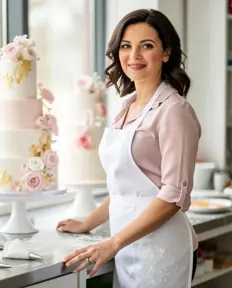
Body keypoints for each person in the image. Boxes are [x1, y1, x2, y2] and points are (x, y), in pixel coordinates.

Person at [57, 9, 201, 288]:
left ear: (166, 53)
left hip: (163, 249)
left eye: (146, 46)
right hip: (126, 246)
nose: (133, 56)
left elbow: (173, 196)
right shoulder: (125, 108)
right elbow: (127, 188)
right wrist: (88, 223)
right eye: (126, 46)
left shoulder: (174, 111)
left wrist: (114, 242)